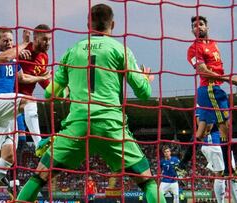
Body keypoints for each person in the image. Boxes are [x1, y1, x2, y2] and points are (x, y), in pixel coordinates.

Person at [17, 4, 166, 203]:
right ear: (112, 24)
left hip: (78, 125)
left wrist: (67, 86)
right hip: (110, 125)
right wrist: (146, 80)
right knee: (147, 182)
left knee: (39, 177)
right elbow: (144, 93)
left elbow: (49, 94)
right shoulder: (120, 50)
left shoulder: (73, 51)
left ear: (88, 24)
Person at [0, 27, 50, 201]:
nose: (8, 43)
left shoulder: (15, 58)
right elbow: (4, 57)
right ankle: (39, 144)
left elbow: (23, 79)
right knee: (29, 101)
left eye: (10, 40)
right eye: (5, 40)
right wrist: (23, 44)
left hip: (6, 113)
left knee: (8, 156)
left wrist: (42, 77)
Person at [178, 15, 237, 172]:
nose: (198, 27)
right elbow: (203, 71)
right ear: (192, 31)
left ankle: (182, 165)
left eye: (201, 24)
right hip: (210, 89)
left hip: (213, 89)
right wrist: (229, 79)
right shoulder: (193, 49)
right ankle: (229, 170)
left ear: (206, 27)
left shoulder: (214, 44)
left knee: (203, 131)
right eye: (195, 26)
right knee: (225, 127)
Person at [17, 24, 53, 158]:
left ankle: (12, 178)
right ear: (36, 39)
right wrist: (18, 51)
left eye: (49, 39)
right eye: (45, 39)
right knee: (18, 142)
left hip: (25, 103)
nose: (48, 43)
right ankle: (39, 144)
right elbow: (19, 77)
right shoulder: (23, 50)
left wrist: (56, 91)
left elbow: (43, 79)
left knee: (20, 143)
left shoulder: (44, 57)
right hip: (11, 97)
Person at [197, 108, 237, 203]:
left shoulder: (219, 103)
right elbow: (203, 129)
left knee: (231, 173)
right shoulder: (202, 105)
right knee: (220, 175)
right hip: (213, 144)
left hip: (225, 144)